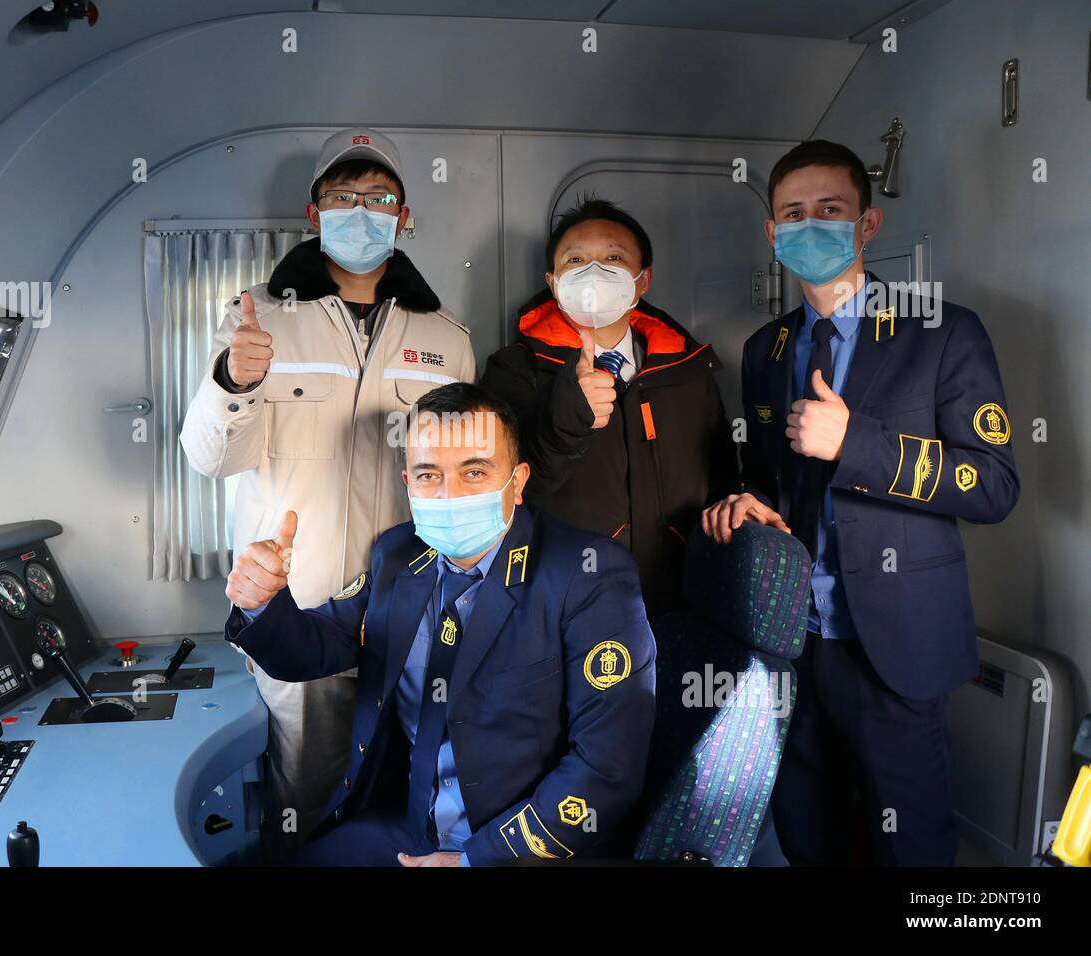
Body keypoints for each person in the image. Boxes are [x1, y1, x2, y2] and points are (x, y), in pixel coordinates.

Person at [702, 139, 1020, 866]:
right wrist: (745, 500)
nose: (809, 226)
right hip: (792, 640)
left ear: (867, 226)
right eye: (793, 213)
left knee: (910, 846)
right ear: (772, 234)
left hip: (896, 646)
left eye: (830, 210)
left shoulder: (943, 332)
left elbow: (995, 483)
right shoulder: (767, 349)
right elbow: (770, 475)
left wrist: (860, 444)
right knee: (810, 833)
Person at [179, 128, 476, 844]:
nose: (362, 210)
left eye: (379, 198)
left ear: (403, 217)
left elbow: (464, 473)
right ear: (314, 213)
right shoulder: (259, 317)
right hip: (301, 606)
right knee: (304, 802)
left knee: (414, 788)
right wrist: (235, 380)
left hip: (407, 605)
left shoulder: (448, 336)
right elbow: (209, 458)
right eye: (344, 196)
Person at [224, 383, 656, 865]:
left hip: (516, 848)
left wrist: (475, 861)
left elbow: (606, 767)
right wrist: (263, 602)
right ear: (408, 483)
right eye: (429, 474)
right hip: (408, 830)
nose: (449, 495)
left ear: (517, 481)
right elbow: (311, 648)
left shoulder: (587, 576)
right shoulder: (399, 555)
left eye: (474, 472)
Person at [480, 198, 737, 618]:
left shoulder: (687, 370)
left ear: (642, 280)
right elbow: (501, 494)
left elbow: (722, 478)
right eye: (576, 260)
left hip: (681, 600)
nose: (593, 272)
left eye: (613, 258)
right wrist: (568, 419)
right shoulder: (515, 368)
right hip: (561, 606)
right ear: (553, 280)